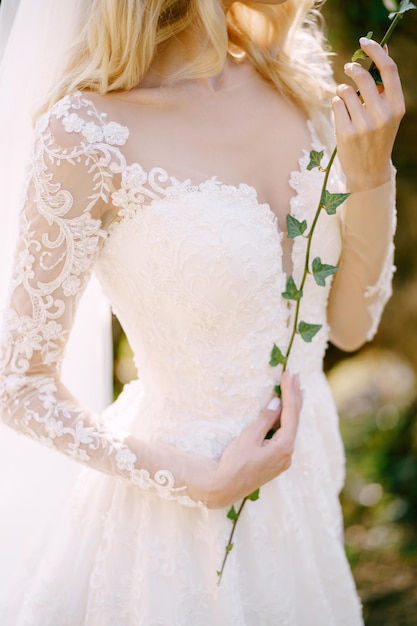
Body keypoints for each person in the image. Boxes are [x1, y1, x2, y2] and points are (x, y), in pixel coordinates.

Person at [0, 0, 404, 624]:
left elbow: (351, 326)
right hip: (175, 535)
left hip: (303, 502)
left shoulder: (299, 89)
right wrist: (198, 482)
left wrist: (371, 174)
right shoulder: (87, 132)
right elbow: (20, 384)